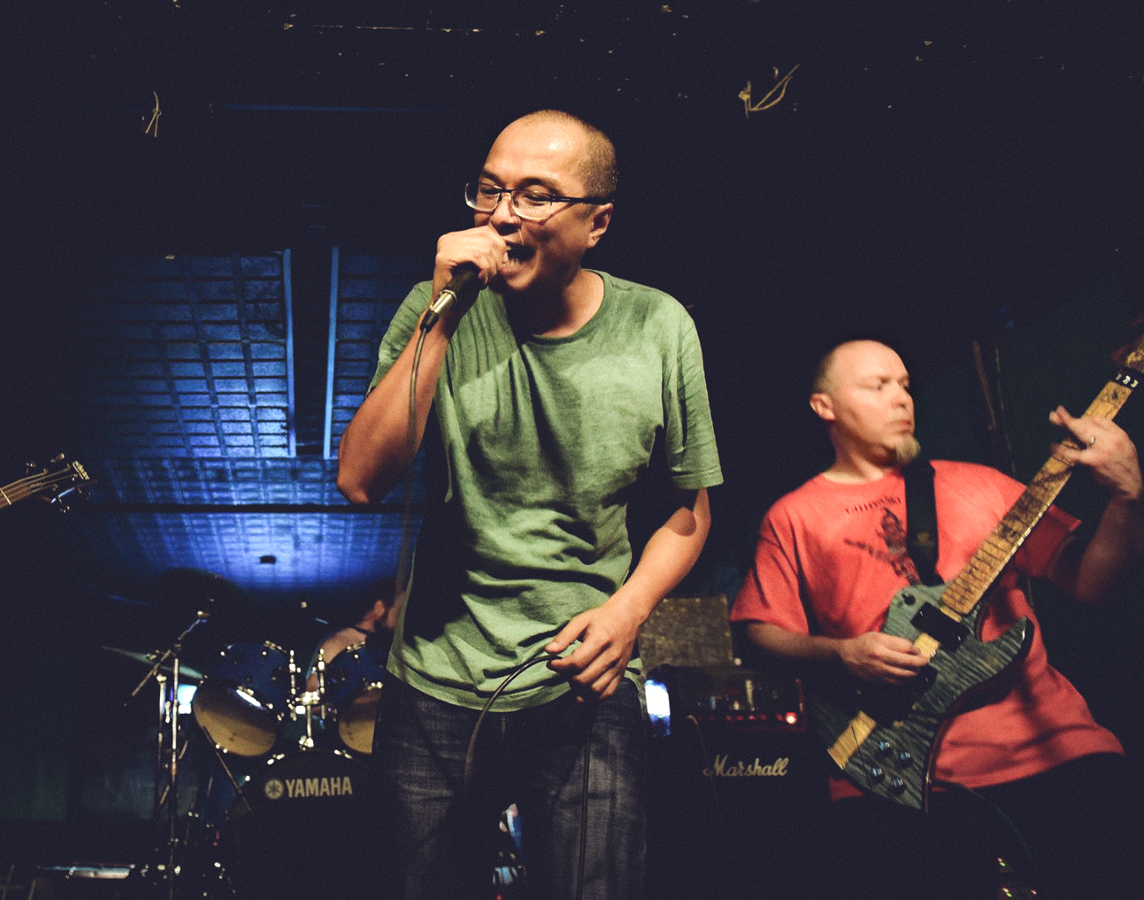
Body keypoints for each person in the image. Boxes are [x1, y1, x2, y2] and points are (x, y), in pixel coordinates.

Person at [337, 109, 722, 900]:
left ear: (597, 222)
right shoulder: (432, 307)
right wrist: (443, 317)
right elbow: (361, 481)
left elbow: (689, 512)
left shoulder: (659, 325)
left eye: (538, 195)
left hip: (584, 677)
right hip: (438, 683)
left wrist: (630, 610)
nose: (505, 214)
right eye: (491, 189)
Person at [731, 338, 1143, 900]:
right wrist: (842, 654)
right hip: (886, 767)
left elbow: (1095, 586)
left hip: (1055, 748)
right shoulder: (793, 516)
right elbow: (754, 635)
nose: (901, 398)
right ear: (823, 406)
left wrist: (1127, 498)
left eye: (904, 384)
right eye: (877, 386)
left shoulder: (981, 485)